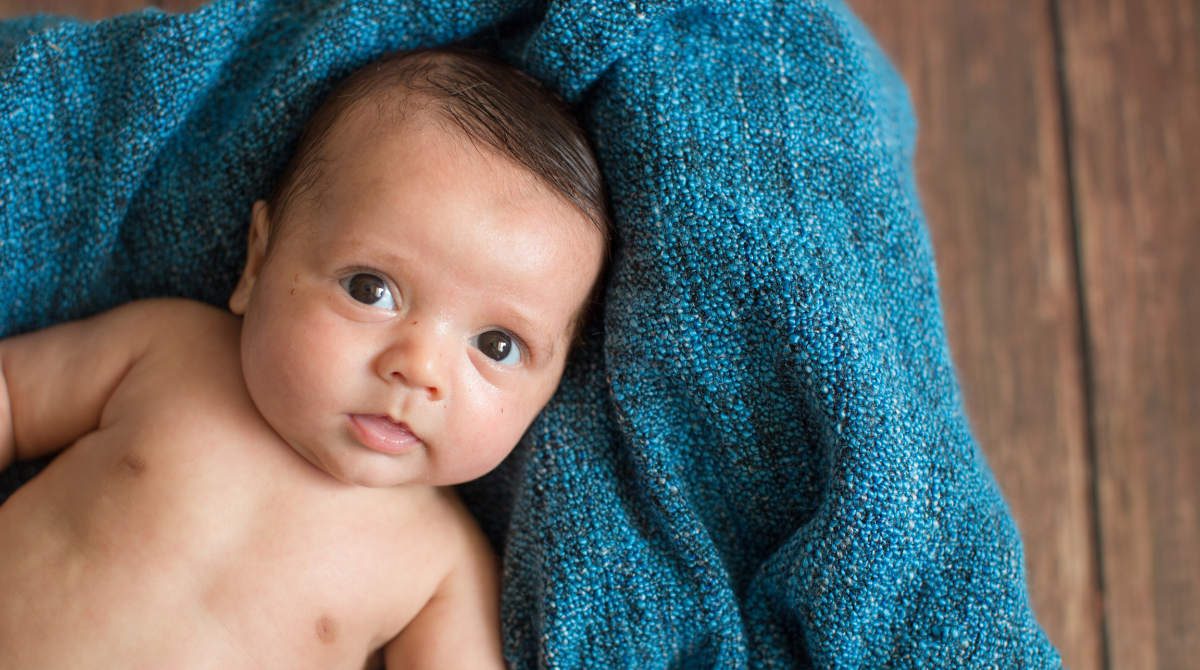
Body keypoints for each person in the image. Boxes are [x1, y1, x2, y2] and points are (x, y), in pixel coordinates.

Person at [0, 46, 608, 669]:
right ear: (258, 262)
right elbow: (13, 395)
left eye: (496, 346)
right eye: (371, 289)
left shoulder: (440, 569)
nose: (418, 369)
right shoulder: (168, 351)